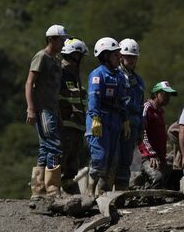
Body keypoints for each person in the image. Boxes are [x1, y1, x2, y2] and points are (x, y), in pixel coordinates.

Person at [25, 24, 68, 199]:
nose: (63, 43)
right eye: (61, 40)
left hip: (51, 109)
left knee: (45, 148)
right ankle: (52, 188)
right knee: (54, 146)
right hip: (42, 109)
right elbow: (29, 82)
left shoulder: (57, 61)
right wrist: (31, 108)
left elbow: (55, 91)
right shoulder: (41, 56)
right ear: (51, 39)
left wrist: (57, 112)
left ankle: (38, 189)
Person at [86, 37, 130, 196]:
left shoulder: (119, 76)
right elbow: (94, 97)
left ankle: (103, 193)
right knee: (100, 157)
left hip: (115, 121)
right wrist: (95, 118)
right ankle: (90, 191)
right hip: (100, 120)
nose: (119, 57)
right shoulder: (98, 75)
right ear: (105, 56)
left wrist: (125, 120)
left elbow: (123, 100)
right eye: (115, 55)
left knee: (112, 159)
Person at [59, 38, 89, 194]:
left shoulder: (74, 75)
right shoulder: (60, 71)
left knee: (72, 162)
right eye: (79, 56)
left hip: (76, 125)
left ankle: (70, 191)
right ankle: (48, 191)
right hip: (64, 124)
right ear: (74, 55)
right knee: (59, 158)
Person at [133, 81, 177, 189]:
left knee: (173, 178)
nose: (167, 98)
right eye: (164, 94)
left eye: (169, 95)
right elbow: (142, 133)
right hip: (146, 157)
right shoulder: (147, 108)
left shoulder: (160, 111)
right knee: (158, 178)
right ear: (156, 94)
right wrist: (151, 154)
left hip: (159, 157)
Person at [118, 38, 145, 189]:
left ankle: (120, 192)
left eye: (134, 57)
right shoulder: (116, 76)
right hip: (118, 123)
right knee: (112, 159)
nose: (132, 60)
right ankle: (102, 193)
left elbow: (140, 105)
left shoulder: (138, 81)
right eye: (128, 56)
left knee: (126, 161)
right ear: (121, 56)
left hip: (133, 124)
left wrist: (141, 128)